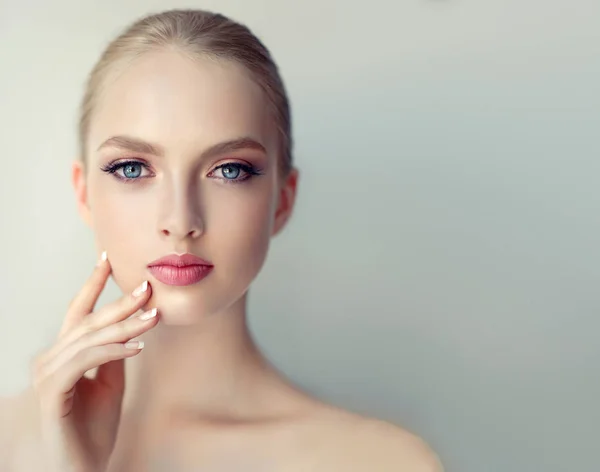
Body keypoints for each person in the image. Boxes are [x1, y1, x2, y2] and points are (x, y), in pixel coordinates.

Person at [0, 8, 443, 471]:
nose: (180, 219)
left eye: (229, 170)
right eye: (132, 168)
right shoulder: (9, 441)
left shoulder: (383, 462)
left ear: (282, 200)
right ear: (84, 193)